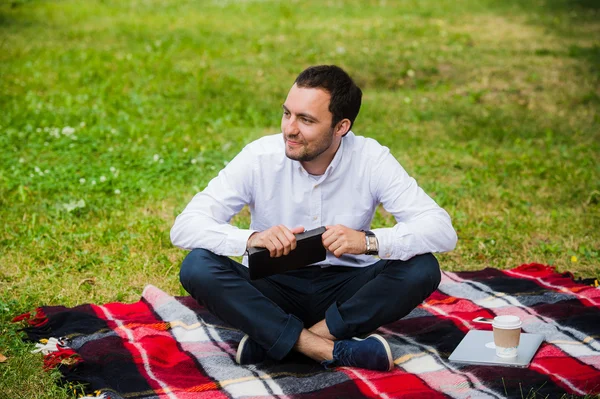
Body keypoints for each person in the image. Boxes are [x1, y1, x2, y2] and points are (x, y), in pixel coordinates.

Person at [171, 65, 457, 372]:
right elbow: (185, 226)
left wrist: (369, 242)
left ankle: (280, 340)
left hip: (347, 291)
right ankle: (326, 349)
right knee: (197, 266)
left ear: (341, 127)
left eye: (306, 120)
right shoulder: (259, 157)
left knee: (422, 267)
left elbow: (441, 230)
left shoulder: (371, 159)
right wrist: (252, 239)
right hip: (272, 287)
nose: (289, 129)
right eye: (287, 114)